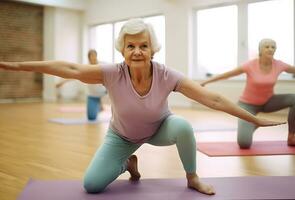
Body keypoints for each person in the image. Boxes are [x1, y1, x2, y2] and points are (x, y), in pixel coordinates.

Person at [0, 19, 285, 195]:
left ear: (153, 49)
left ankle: (192, 178)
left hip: (159, 128)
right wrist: (17, 66)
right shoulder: (111, 72)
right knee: (92, 185)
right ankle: (128, 164)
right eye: (131, 46)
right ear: (122, 51)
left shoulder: (166, 75)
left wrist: (253, 120)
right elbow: (70, 69)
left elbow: (212, 99)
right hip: (121, 137)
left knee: (183, 126)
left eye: (143, 46)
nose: (137, 51)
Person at [201, 38, 295, 148]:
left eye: (273, 47)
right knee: (244, 143)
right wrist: (205, 82)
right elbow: (227, 74)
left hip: (268, 101)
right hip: (248, 105)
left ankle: (291, 136)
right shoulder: (250, 65)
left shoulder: (279, 65)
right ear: (260, 49)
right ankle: (254, 123)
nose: (270, 49)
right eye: (267, 47)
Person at [56, 49, 107, 120]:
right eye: (91, 56)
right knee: (91, 117)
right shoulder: (86, 67)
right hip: (92, 94)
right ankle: (99, 106)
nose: (93, 57)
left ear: (96, 56)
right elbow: (74, 75)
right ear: (88, 57)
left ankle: (100, 104)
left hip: (103, 92)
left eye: (94, 55)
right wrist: (62, 82)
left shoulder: (103, 65)